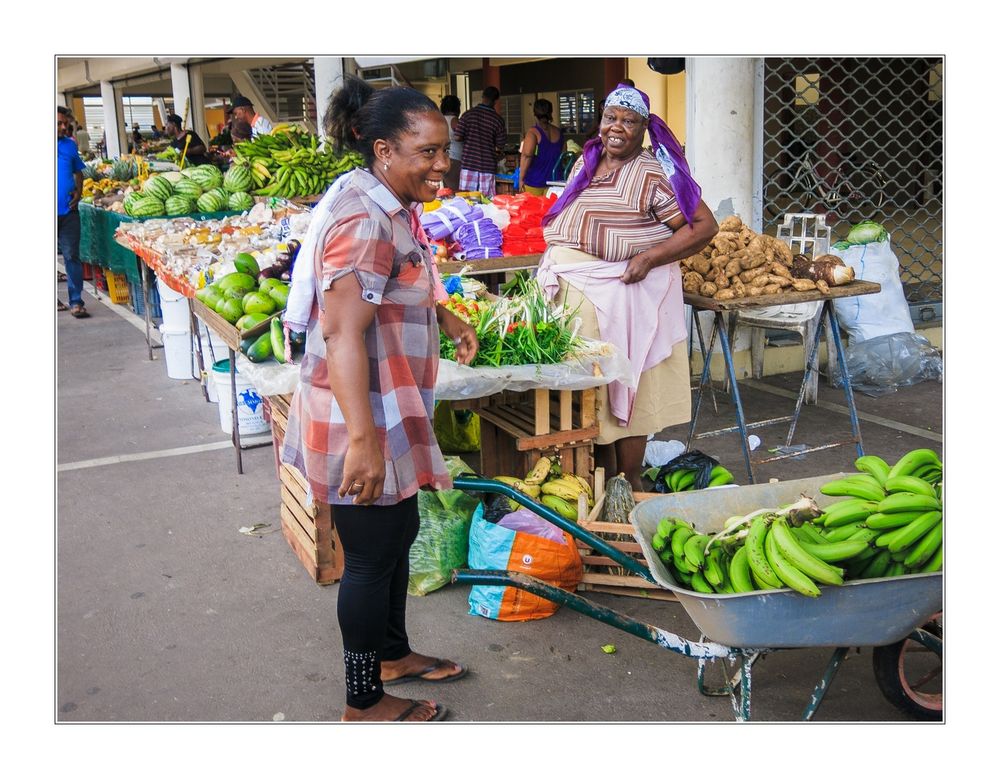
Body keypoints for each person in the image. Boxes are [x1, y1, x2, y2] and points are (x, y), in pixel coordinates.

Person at [279, 74, 478, 723]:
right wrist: (362, 440)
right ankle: (363, 699)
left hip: (385, 404)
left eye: (443, 148)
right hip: (356, 414)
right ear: (385, 150)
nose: (442, 163)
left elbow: (398, 282)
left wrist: (443, 317)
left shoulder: (389, 202)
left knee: (400, 530)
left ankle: (392, 654)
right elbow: (340, 330)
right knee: (368, 556)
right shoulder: (365, 218)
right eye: (428, 151)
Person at [537, 83, 719, 489]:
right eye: (611, 117)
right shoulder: (587, 161)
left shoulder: (650, 172)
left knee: (626, 389)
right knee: (594, 398)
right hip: (575, 294)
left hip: (620, 296)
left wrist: (648, 258)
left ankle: (629, 483)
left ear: (643, 128)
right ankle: (600, 480)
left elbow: (704, 227)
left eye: (629, 120)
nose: (617, 127)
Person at [57, 106, 89, 318]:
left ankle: (76, 301)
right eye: (58, 123)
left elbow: (79, 172)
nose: (63, 127)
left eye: (64, 124)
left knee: (72, 256)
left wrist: (79, 193)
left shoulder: (69, 145)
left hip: (68, 211)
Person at [453, 86, 506, 198]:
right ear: (496, 100)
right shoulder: (498, 120)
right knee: (486, 202)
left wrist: (470, 137)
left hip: (469, 164)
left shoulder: (468, 115)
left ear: (482, 97)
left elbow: (457, 137)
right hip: (487, 167)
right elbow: (500, 145)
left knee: (466, 200)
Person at [517, 98, 564, 196]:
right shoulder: (559, 132)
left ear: (535, 113)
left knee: (534, 210)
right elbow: (563, 155)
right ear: (550, 112)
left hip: (535, 182)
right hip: (555, 183)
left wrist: (521, 179)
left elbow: (527, 155)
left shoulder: (533, 133)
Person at [439, 94, 462, 192]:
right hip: (456, 159)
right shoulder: (455, 120)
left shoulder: (439, 120)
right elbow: (461, 136)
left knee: (447, 191)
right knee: (456, 191)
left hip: (444, 158)